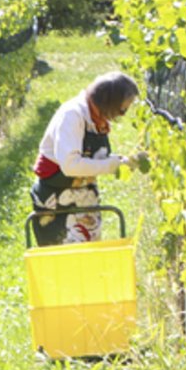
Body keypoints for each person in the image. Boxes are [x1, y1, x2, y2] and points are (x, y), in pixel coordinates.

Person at [30, 71, 142, 247]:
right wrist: (112, 165)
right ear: (109, 102)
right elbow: (70, 165)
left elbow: (94, 159)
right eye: (122, 109)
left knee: (88, 258)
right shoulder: (72, 116)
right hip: (58, 202)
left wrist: (123, 161)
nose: (122, 115)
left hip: (84, 198)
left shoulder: (96, 118)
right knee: (64, 261)